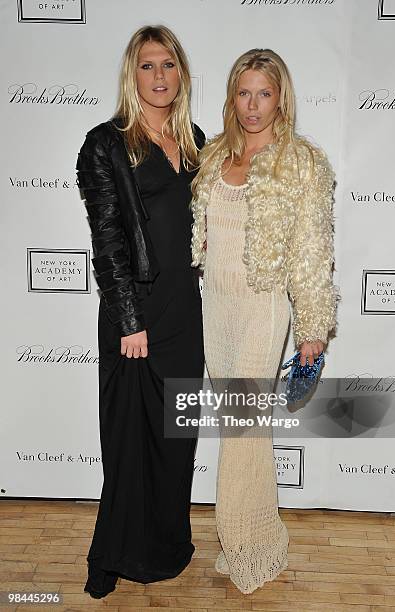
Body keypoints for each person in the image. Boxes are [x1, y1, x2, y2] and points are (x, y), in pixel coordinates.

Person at [191, 49, 338, 594]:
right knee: (241, 426)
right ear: (232, 97)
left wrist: (313, 328)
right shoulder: (212, 157)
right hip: (217, 306)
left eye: (264, 94)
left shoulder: (300, 162)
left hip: (263, 306)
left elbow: (312, 250)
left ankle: (246, 543)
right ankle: (260, 537)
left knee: (244, 427)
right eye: (244, 93)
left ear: (281, 99)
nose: (253, 106)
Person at [76, 25, 205, 599]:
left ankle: (167, 545)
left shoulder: (196, 139)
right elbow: (108, 240)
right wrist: (129, 320)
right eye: (148, 65)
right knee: (129, 441)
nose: (159, 76)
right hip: (138, 316)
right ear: (134, 74)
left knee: (176, 441)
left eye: (169, 64)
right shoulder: (106, 143)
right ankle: (112, 557)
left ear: (181, 74)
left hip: (186, 313)